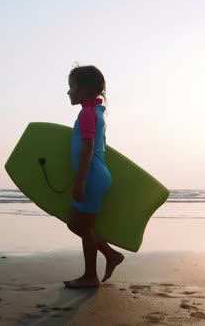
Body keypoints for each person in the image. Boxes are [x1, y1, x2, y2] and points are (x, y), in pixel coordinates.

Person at [64, 64, 125, 289]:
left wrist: (80, 180)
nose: (69, 92)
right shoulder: (93, 112)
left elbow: (88, 147)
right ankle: (111, 255)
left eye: (72, 87)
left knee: (85, 229)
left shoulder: (88, 114)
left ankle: (91, 276)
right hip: (93, 176)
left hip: (91, 178)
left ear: (84, 90)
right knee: (74, 223)